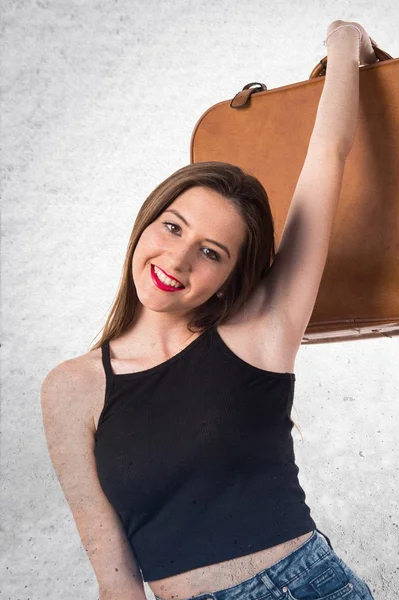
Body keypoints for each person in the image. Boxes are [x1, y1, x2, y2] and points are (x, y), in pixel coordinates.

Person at [41, 19, 378, 600]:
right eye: (172, 226)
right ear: (147, 222)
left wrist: (344, 41)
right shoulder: (71, 389)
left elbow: (329, 152)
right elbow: (115, 581)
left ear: (228, 279)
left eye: (211, 252)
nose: (176, 258)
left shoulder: (261, 330)